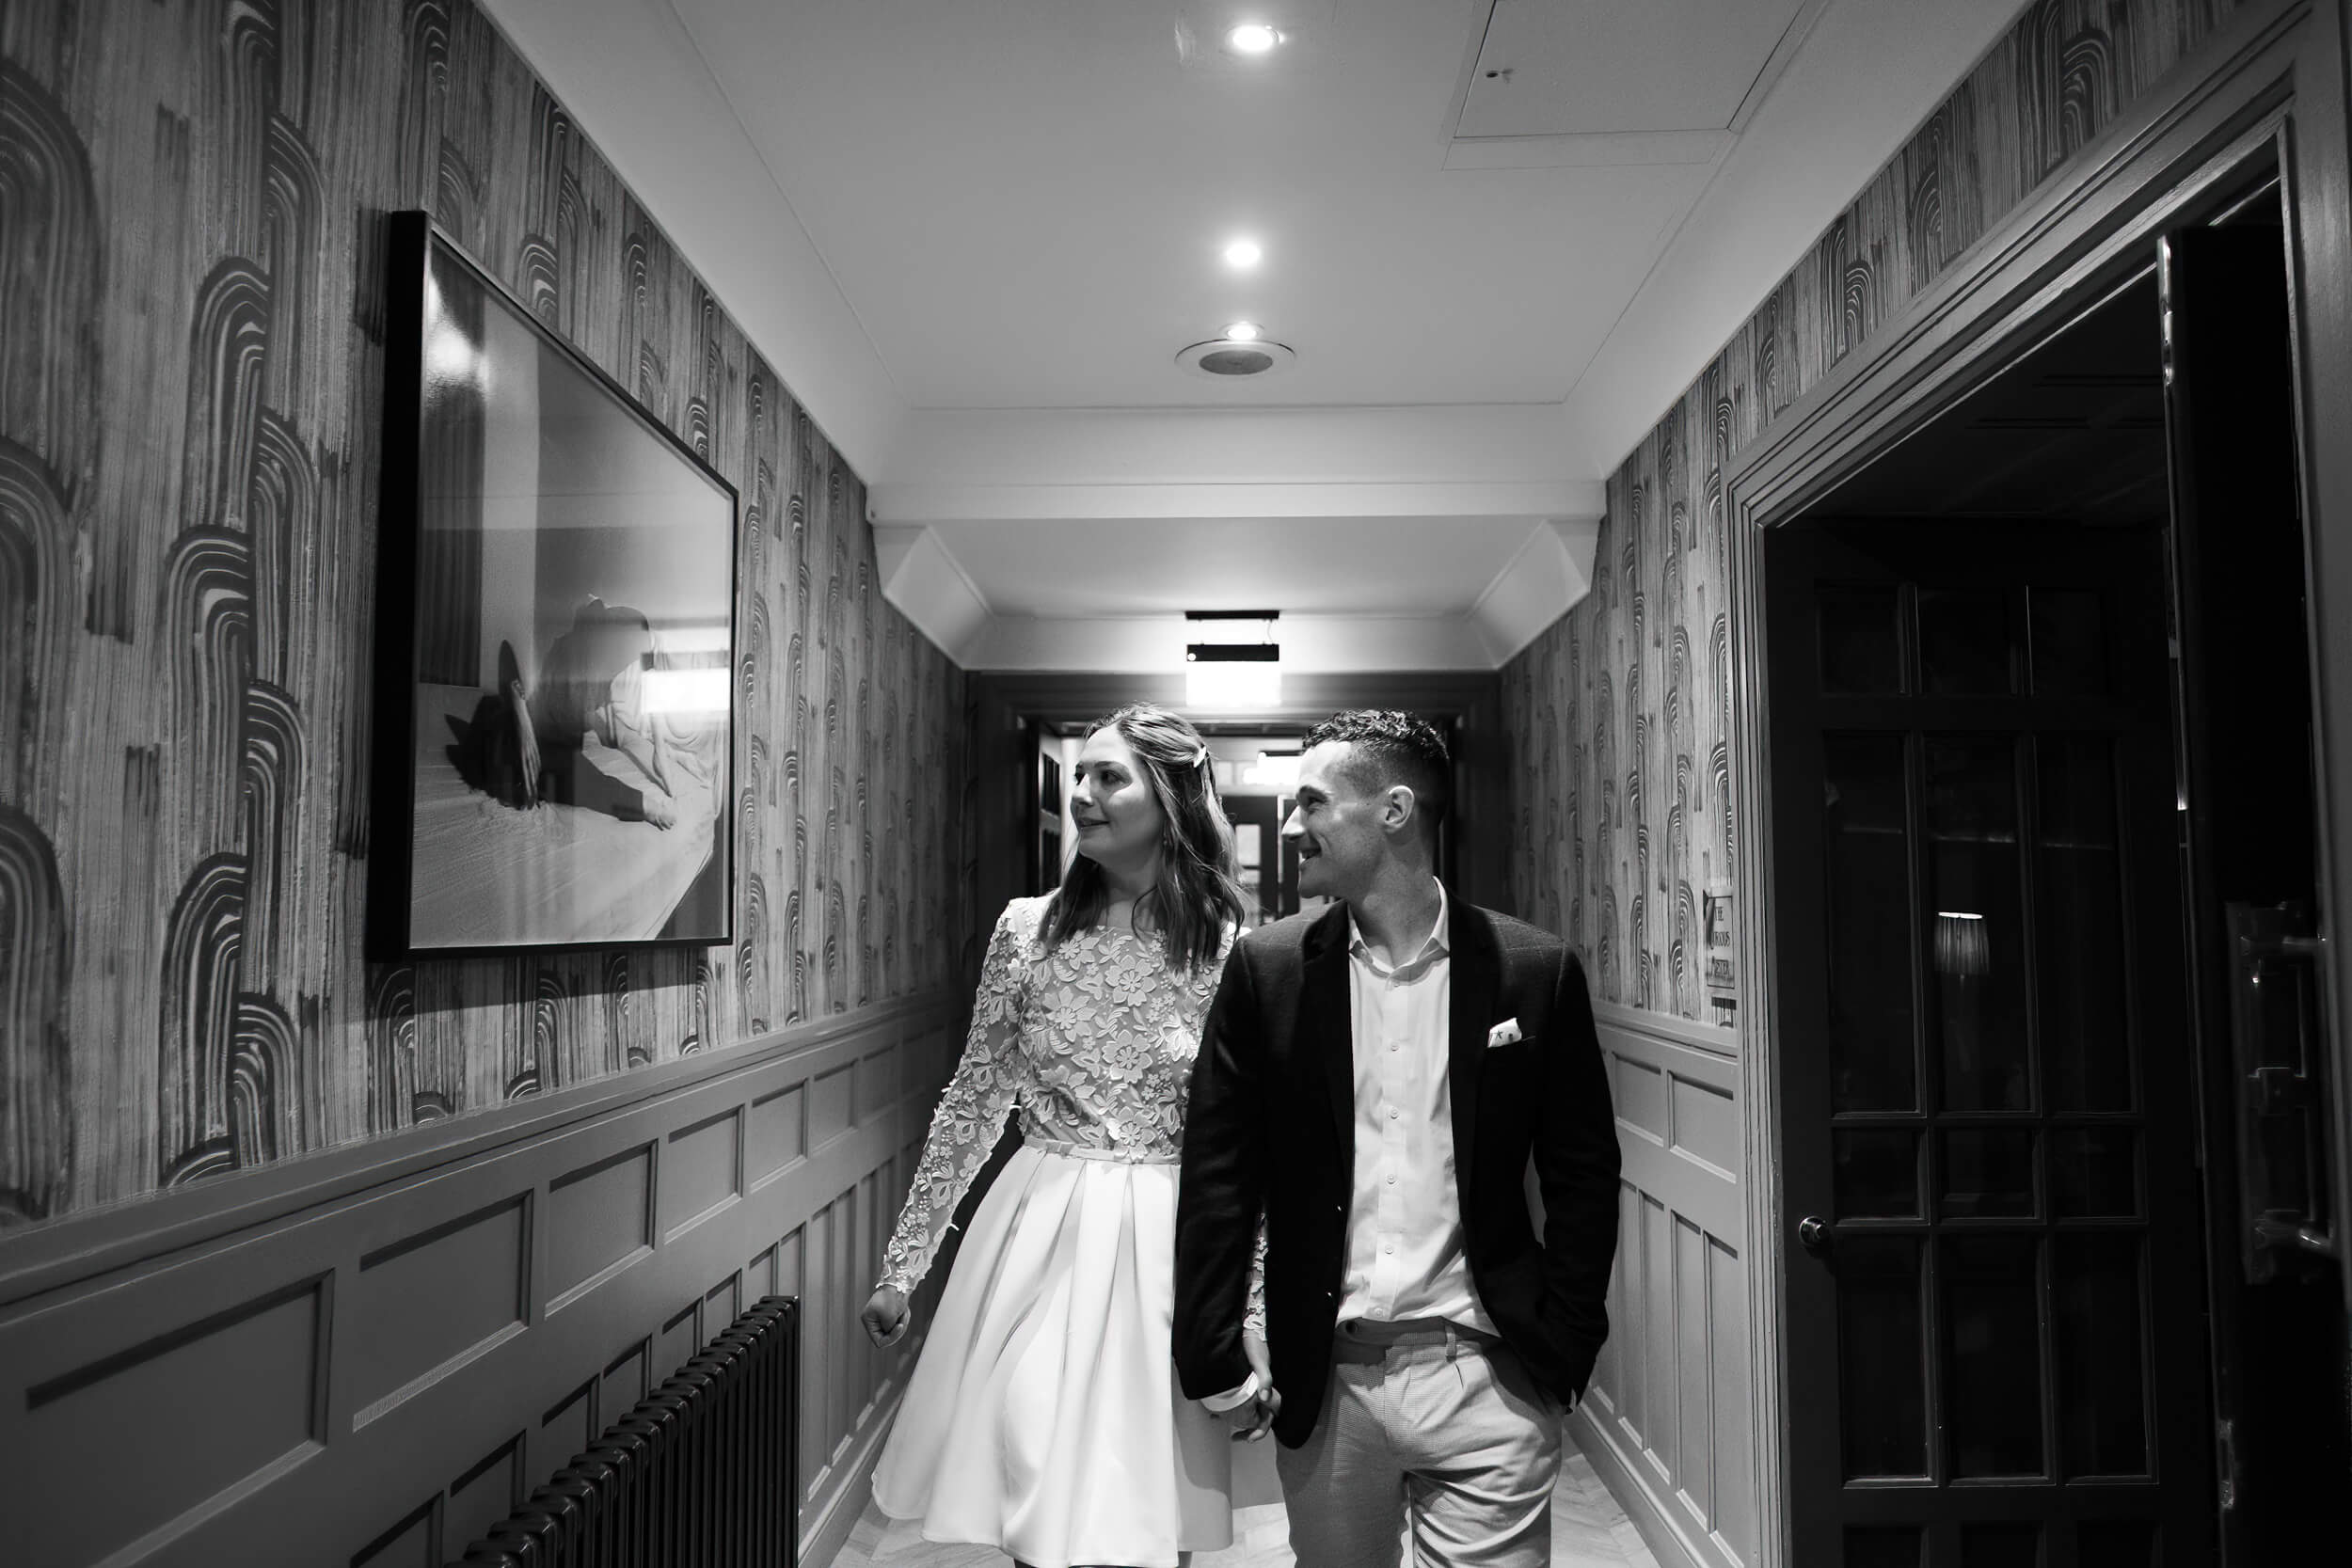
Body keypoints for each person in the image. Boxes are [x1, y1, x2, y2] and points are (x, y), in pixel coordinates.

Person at [1173, 708, 1620, 1568]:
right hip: (1328, 1381)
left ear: (1395, 810)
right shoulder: (1266, 971)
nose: (1293, 823)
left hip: (1491, 1377)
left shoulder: (1535, 970)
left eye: (1312, 801)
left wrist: (1564, 1346)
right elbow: (1219, 1175)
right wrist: (1213, 1349)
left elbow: (1584, 1173)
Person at [860, 703, 1254, 1568]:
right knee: (1029, 1462)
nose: (1082, 794)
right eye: (1079, 773)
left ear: (1174, 796)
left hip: (1167, 1245)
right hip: (1038, 1232)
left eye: (1109, 776)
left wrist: (1250, 1312)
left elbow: (1244, 1144)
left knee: (1149, 1507)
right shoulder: (1023, 930)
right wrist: (905, 1263)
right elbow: (973, 1098)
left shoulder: (1229, 950)